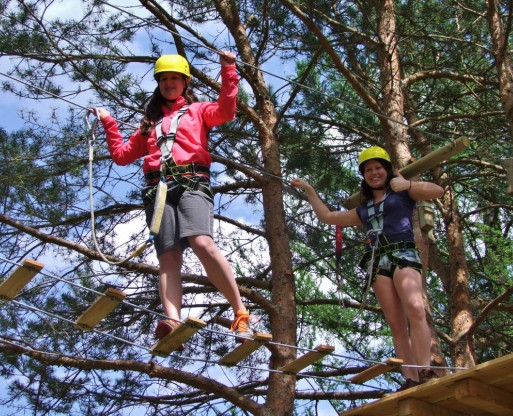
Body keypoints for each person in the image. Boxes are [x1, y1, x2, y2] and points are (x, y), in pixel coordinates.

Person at [92, 51, 253, 342]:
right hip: (158, 190)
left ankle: (240, 312)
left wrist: (228, 69)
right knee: (168, 257)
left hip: (192, 182)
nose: (169, 84)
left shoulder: (199, 111)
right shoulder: (148, 125)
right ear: (158, 84)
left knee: (202, 241)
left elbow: (227, 110)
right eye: (164, 79)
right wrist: (108, 122)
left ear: (185, 83)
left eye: (174, 79)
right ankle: (172, 320)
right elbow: (122, 156)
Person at [291, 146, 444, 390]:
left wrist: (408, 186)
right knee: (396, 324)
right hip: (377, 262)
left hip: (402, 252)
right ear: (363, 176)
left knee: (415, 309)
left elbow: (437, 190)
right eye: (368, 170)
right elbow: (328, 217)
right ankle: (410, 378)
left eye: (378, 168)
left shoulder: (402, 193)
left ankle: (425, 369)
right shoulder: (364, 210)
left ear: (387, 170)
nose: (374, 173)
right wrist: (309, 190)